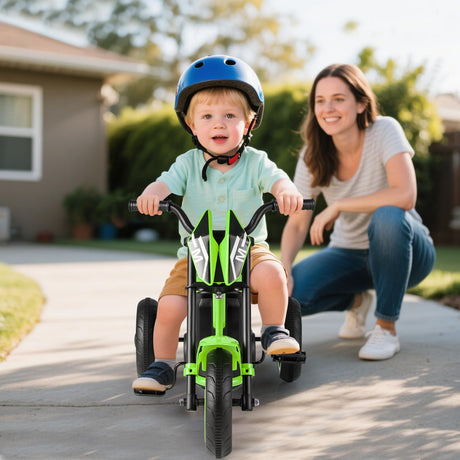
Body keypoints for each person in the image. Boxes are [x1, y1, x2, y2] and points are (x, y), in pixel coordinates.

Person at [132, 55, 304, 393]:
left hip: (248, 249)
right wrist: (152, 194)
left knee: (273, 275)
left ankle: (274, 330)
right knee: (168, 306)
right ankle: (163, 365)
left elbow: (277, 179)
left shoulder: (256, 162)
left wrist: (285, 191)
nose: (219, 125)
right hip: (196, 255)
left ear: (250, 122)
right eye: (207, 116)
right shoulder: (187, 163)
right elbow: (165, 183)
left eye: (230, 116)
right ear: (192, 125)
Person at [281, 63, 435, 361]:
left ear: (361, 103)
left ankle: (386, 326)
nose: (328, 108)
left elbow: (405, 195)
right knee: (291, 298)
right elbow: (298, 223)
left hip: (408, 251)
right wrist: (284, 268)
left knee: (387, 215)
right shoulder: (311, 153)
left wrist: (339, 205)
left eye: (339, 99)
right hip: (349, 254)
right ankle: (357, 300)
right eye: (320, 101)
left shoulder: (384, 130)